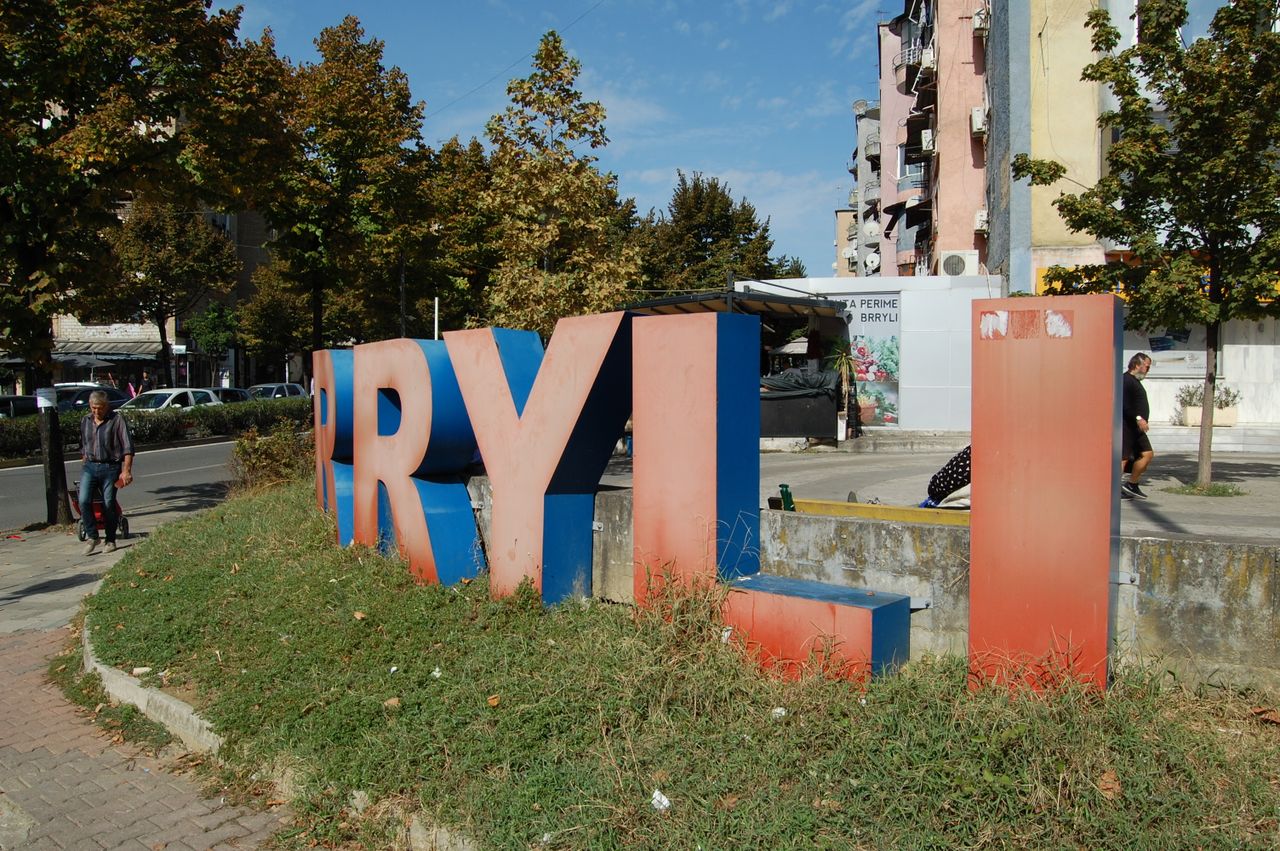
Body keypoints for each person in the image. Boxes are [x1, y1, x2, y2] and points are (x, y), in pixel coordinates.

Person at [79, 390, 134, 555]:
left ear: (107, 406)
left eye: (100, 408)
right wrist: (84, 459)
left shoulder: (116, 420)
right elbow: (84, 443)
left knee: (108, 503)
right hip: (90, 466)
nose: (97, 411)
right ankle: (92, 536)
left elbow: (128, 447)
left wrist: (126, 471)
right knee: (83, 500)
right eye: (94, 408)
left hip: (110, 467)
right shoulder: (86, 420)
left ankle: (110, 540)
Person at [1121, 352, 1154, 500]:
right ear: (1136, 365)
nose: (1148, 370)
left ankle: (1131, 484)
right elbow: (1125, 405)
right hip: (1127, 427)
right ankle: (1113, 490)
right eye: (1146, 367)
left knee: (1147, 454)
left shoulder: (1134, 381)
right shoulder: (1126, 380)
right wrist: (1139, 418)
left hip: (1136, 429)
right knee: (1122, 459)